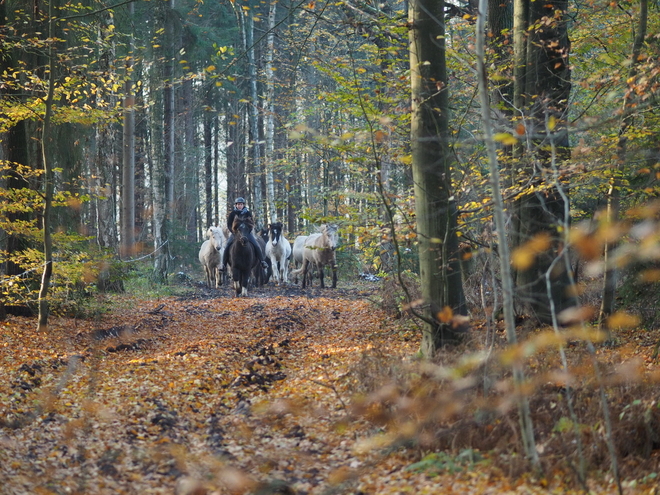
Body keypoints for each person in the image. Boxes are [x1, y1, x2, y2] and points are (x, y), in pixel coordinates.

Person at [220, 197, 268, 272]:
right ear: (236, 205)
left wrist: (248, 232)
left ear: (243, 205)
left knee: (256, 245)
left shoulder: (247, 213)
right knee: (227, 245)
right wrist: (233, 232)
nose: (240, 206)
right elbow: (229, 225)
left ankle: (262, 261)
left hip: (247, 233)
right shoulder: (232, 214)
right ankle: (223, 264)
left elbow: (252, 223)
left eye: (241, 204)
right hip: (235, 233)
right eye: (238, 204)